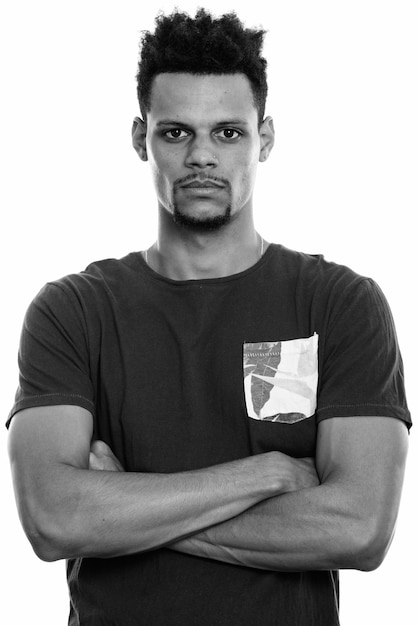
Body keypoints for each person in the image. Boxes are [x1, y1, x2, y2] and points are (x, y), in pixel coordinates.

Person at [7, 8, 411, 626]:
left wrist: (126, 507)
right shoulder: (73, 312)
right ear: (140, 137)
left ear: (265, 138)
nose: (201, 156)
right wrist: (266, 474)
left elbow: (358, 528)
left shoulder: (340, 305)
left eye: (227, 132)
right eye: (175, 133)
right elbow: (55, 519)